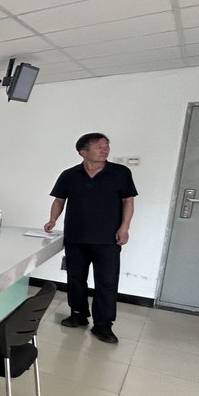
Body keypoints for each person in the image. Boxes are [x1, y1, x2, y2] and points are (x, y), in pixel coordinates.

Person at [44, 132, 137, 344]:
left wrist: (124, 228)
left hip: (108, 238)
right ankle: (78, 314)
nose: (105, 150)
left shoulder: (120, 173)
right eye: (98, 147)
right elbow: (59, 200)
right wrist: (52, 219)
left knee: (107, 282)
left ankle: (103, 325)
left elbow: (128, 202)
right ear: (82, 152)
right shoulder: (70, 175)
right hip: (76, 236)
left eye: (106, 146)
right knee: (75, 278)